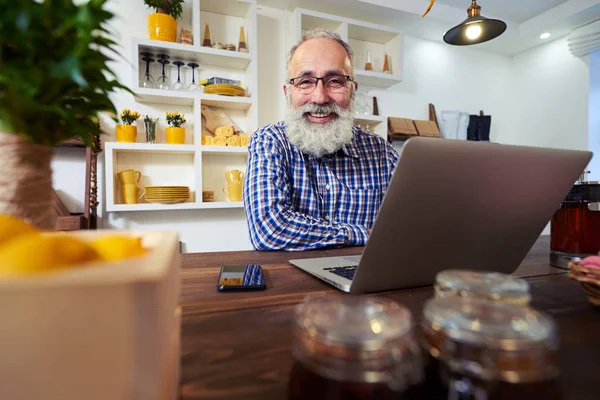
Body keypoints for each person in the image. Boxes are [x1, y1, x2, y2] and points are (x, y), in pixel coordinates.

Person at [243, 29, 399, 251]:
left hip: (364, 280)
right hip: (291, 283)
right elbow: (270, 230)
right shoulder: (269, 141)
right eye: (305, 81)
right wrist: (364, 234)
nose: (320, 97)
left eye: (335, 81)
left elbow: (410, 223)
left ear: (352, 90)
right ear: (288, 92)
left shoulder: (381, 151)